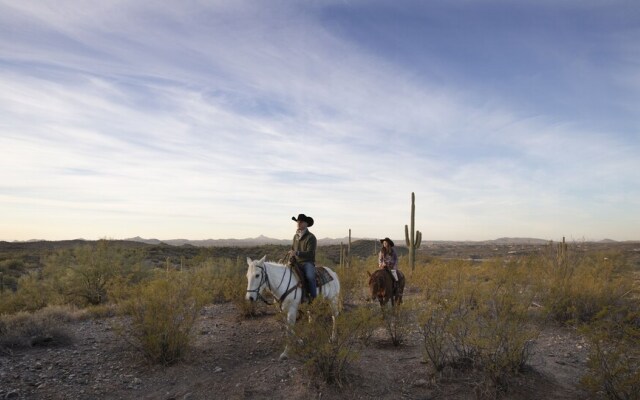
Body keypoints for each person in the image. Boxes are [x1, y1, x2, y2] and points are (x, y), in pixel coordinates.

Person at [288, 213, 317, 301]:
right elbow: (293, 249)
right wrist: (291, 256)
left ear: (306, 224)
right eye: (297, 222)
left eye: (301, 222)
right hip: (296, 263)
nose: (298, 223)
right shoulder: (295, 236)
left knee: (310, 277)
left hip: (307, 262)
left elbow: (310, 253)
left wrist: (297, 253)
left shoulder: (311, 237)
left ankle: (313, 299)